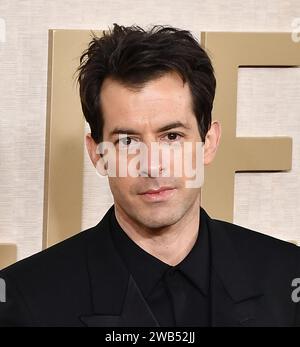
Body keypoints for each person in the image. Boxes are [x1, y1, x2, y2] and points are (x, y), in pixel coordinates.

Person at [0, 23, 299, 327]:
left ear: (208, 143)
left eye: (172, 136)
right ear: (97, 153)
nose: (152, 165)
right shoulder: (23, 302)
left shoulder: (288, 278)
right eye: (127, 141)